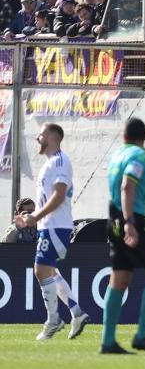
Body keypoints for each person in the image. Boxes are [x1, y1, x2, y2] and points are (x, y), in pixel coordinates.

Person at [14, 123, 90, 340]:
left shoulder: (59, 161)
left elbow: (59, 195)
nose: (37, 137)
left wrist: (35, 217)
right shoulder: (50, 163)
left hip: (56, 226)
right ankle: (76, 312)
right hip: (50, 225)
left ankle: (54, 320)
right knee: (51, 272)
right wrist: (29, 218)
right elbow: (49, 198)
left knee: (40, 270)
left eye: (41, 133)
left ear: (53, 137)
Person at [101, 118, 145, 355]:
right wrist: (130, 222)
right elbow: (127, 186)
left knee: (119, 279)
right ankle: (142, 335)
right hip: (132, 220)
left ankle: (108, 340)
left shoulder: (116, 155)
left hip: (114, 220)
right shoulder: (139, 156)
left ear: (124, 136)